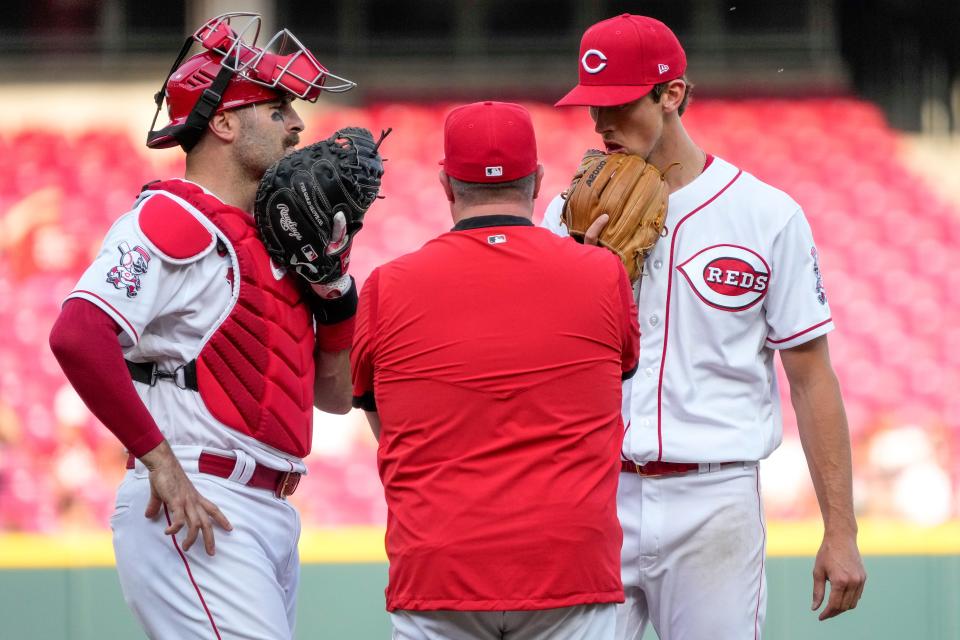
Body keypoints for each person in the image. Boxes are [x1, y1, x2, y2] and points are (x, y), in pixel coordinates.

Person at [543, 14, 867, 639]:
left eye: (618, 104)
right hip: (594, 494)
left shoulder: (765, 215)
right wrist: (579, 278)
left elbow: (811, 378)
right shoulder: (569, 211)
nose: (602, 123)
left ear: (672, 93)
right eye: (592, 107)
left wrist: (842, 529)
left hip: (714, 499)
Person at [48, 13, 357, 639]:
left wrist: (338, 298)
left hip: (267, 507)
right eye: (276, 109)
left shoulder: (279, 241)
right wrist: (158, 460)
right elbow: (77, 333)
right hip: (196, 498)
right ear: (222, 122)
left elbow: (335, 397)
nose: (297, 125)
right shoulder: (174, 217)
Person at [351, 101, 641, 640]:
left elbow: (382, 420)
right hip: (568, 566)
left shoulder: (386, 286)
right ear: (537, 181)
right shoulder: (602, 274)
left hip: (439, 568)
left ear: (445, 183)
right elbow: (612, 379)